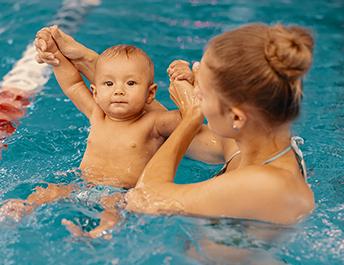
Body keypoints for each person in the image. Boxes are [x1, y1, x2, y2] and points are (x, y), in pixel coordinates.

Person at [124, 23, 315, 225]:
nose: (195, 94)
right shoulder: (259, 146)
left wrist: (191, 116)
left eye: (203, 94)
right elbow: (154, 125)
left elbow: (143, 198)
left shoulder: (266, 186)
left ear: (236, 118)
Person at [0, 26, 182, 238]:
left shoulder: (155, 123)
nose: (119, 90)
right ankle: (22, 207)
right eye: (109, 83)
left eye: (131, 83)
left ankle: (94, 237)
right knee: (48, 191)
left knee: (112, 214)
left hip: (120, 193)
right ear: (95, 92)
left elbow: (188, 117)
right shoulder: (98, 116)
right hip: (82, 184)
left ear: (150, 93)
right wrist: (55, 54)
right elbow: (73, 85)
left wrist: (185, 82)